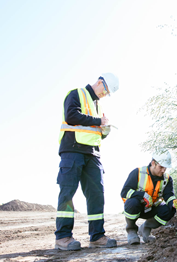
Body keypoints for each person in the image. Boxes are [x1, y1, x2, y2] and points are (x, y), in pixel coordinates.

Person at [55, 73, 119, 251]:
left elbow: (93, 131)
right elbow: (71, 116)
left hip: (92, 154)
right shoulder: (76, 94)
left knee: (97, 194)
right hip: (72, 150)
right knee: (67, 193)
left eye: (107, 93)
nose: (105, 95)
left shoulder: (98, 106)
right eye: (105, 90)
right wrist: (99, 122)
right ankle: (63, 237)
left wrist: (104, 131)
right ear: (100, 82)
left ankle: (97, 236)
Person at [120, 150, 177, 245]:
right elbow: (124, 192)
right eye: (161, 167)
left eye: (165, 168)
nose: (163, 170)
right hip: (136, 207)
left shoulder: (167, 179)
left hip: (152, 208)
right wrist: (142, 195)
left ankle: (146, 228)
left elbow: (169, 195)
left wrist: (174, 203)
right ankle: (131, 230)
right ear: (153, 163)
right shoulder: (137, 173)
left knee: (169, 210)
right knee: (132, 203)